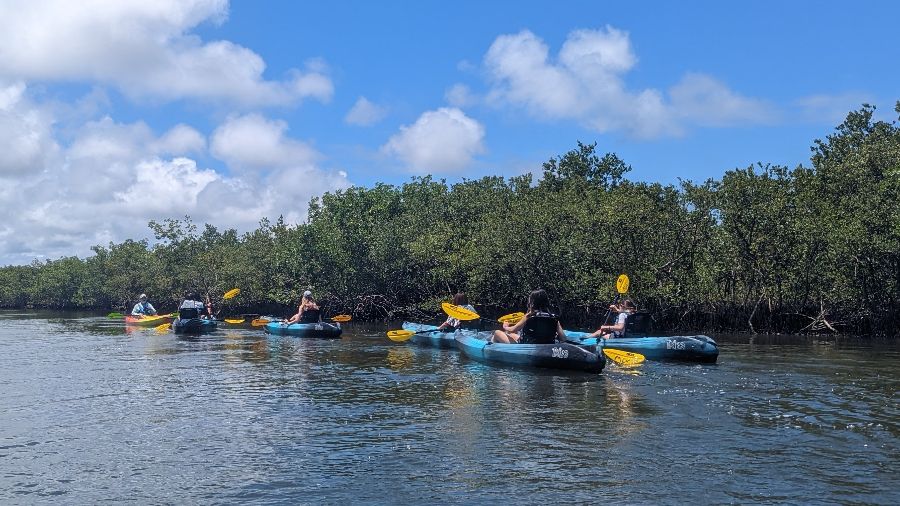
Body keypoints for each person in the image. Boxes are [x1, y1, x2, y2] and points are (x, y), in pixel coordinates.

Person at [492, 289, 566, 344]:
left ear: (532, 302)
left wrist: (505, 326)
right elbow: (563, 338)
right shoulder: (553, 318)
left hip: (525, 347)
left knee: (497, 333)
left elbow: (512, 329)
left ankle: (490, 350)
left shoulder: (529, 316)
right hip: (547, 346)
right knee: (512, 335)